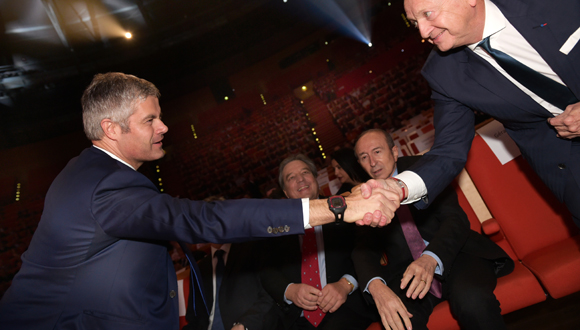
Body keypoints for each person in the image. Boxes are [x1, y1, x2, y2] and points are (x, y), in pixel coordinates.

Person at [0, 72, 397, 330]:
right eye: (150, 120)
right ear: (111, 129)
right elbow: (204, 220)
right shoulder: (104, 184)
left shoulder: (95, 174)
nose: (164, 127)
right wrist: (339, 206)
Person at [373, 0, 580, 227]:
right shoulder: (443, 73)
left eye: (427, 14)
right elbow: (448, 150)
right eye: (415, 23)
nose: (422, 32)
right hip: (572, 169)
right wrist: (398, 188)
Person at [353, 129, 514, 330]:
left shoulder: (425, 169)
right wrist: (376, 287)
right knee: (397, 323)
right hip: (407, 273)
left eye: (377, 152)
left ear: (394, 152)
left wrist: (430, 258)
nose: (372, 162)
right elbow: (362, 251)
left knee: (472, 301)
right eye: (364, 157)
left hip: (454, 254)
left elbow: (455, 219)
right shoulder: (363, 196)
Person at [260, 154, 375, 330]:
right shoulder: (276, 228)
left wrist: (346, 284)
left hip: (346, 309)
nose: (300, 179)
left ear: (315, 179)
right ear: (285, 192)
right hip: (295, 319)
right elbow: (267, 270)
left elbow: (367, 252)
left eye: (305, 172)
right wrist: (289, 290)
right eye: (291, 178)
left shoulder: (344, 210)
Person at [183, 241, 280, 330]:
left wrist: (244, 325)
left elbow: (269, 297)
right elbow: (194, 318)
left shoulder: (252, 252)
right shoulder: (199, 268)